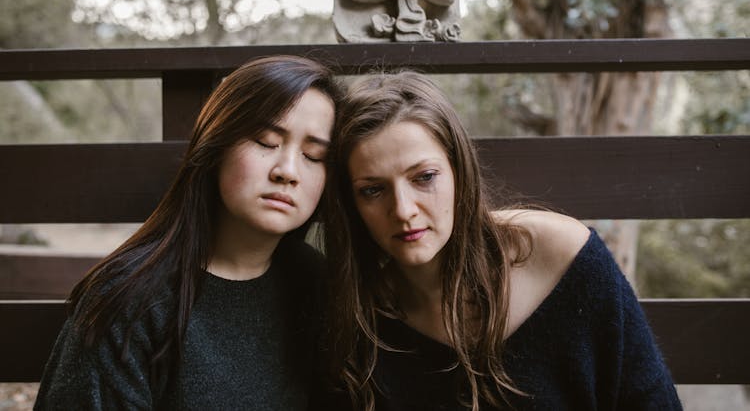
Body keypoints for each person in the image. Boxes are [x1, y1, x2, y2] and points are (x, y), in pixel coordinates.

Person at [321, 71, 682, 410]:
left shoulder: (560, 254)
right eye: (372, 190)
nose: (403, 210)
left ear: (459, 171)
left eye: (424, 177)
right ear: (351, 204)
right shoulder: (359, 317)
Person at [34, 55, 341, 410]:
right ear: (216, 146)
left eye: (314, 156)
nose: (288, 171)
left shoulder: (315, 282)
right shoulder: (129, 304)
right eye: (266, 141)